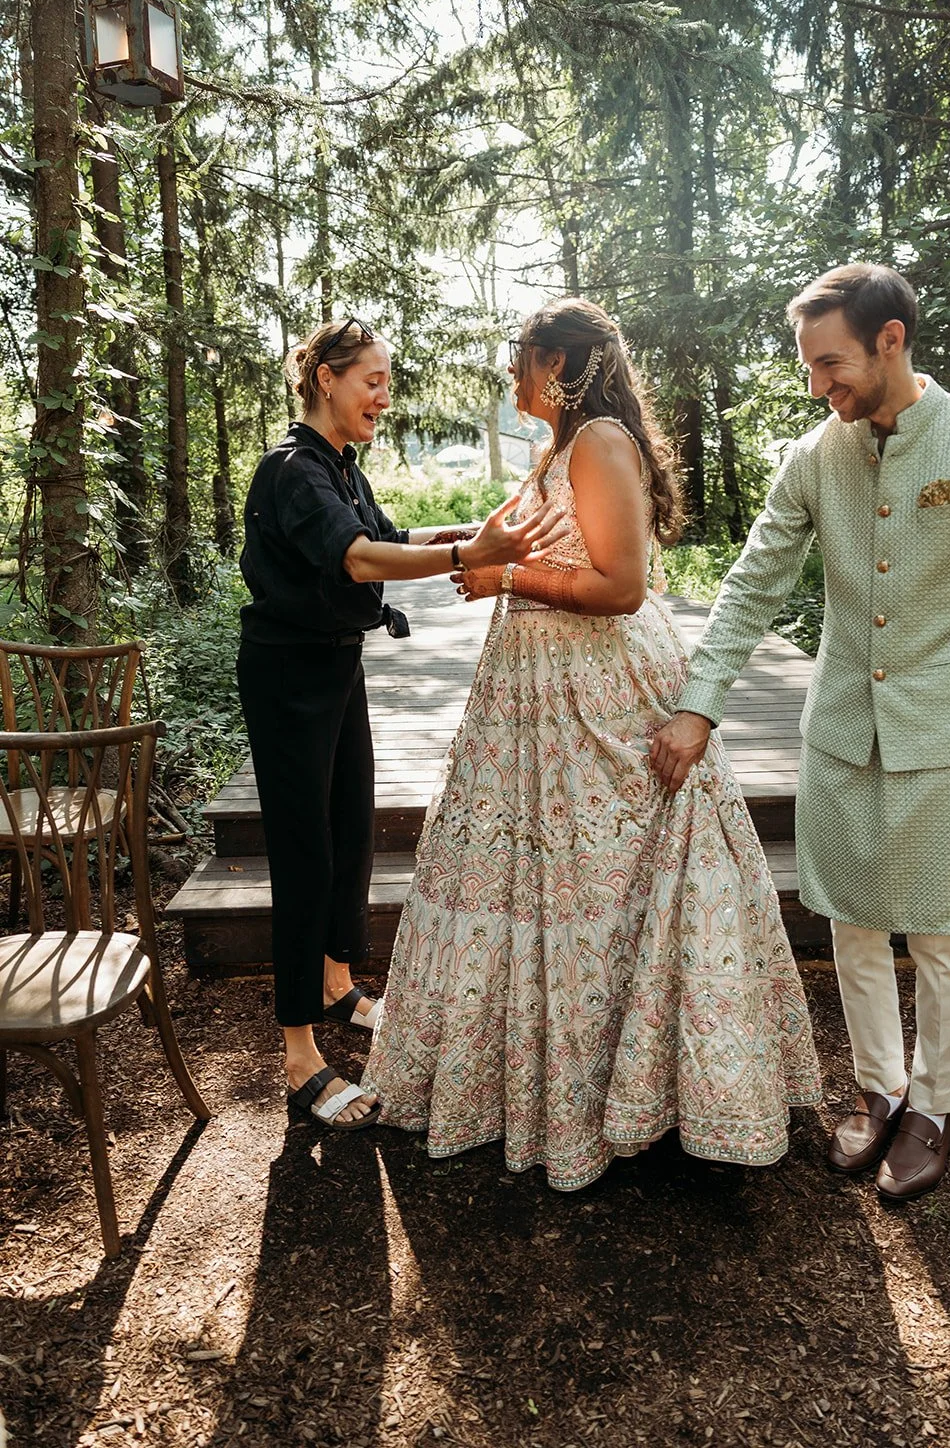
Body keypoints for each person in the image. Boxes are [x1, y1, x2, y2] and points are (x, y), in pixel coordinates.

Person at [362, 297, 821, 1189]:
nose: (511, 371)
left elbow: (620, 588)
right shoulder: (560, 447)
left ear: (561, 364)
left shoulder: (601, 442)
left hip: (600, 690)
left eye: (521, 355)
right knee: (545, 883)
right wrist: (483, 559)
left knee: (610, 885)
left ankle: (652, 1094)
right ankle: (559, 1088)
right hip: (536, 694)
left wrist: (507, 576)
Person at [651, 264, 950, 1201]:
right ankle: (880, 1090)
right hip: (838, 729)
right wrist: (699, 700)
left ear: (889, 340)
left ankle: (936, 1106)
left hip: (948, 732)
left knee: (944, 932)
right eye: (807, 366)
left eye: (829, 363)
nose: (816, 385)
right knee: (852, 924)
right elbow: (752, 583)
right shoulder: (812, 455)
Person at [237, 314, 566, 1131]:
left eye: (387, 382)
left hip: (336, 664)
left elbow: (385, 537)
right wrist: (467, 557)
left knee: (350, 831)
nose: (384, 397)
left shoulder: (339, 466)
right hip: (286, 677)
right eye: (372, 381)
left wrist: (468, 535)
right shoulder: (291, 469)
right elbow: (356, 559)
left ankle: (337, 984)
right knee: (304, 853)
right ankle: (298, 1055)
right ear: (327, 380)